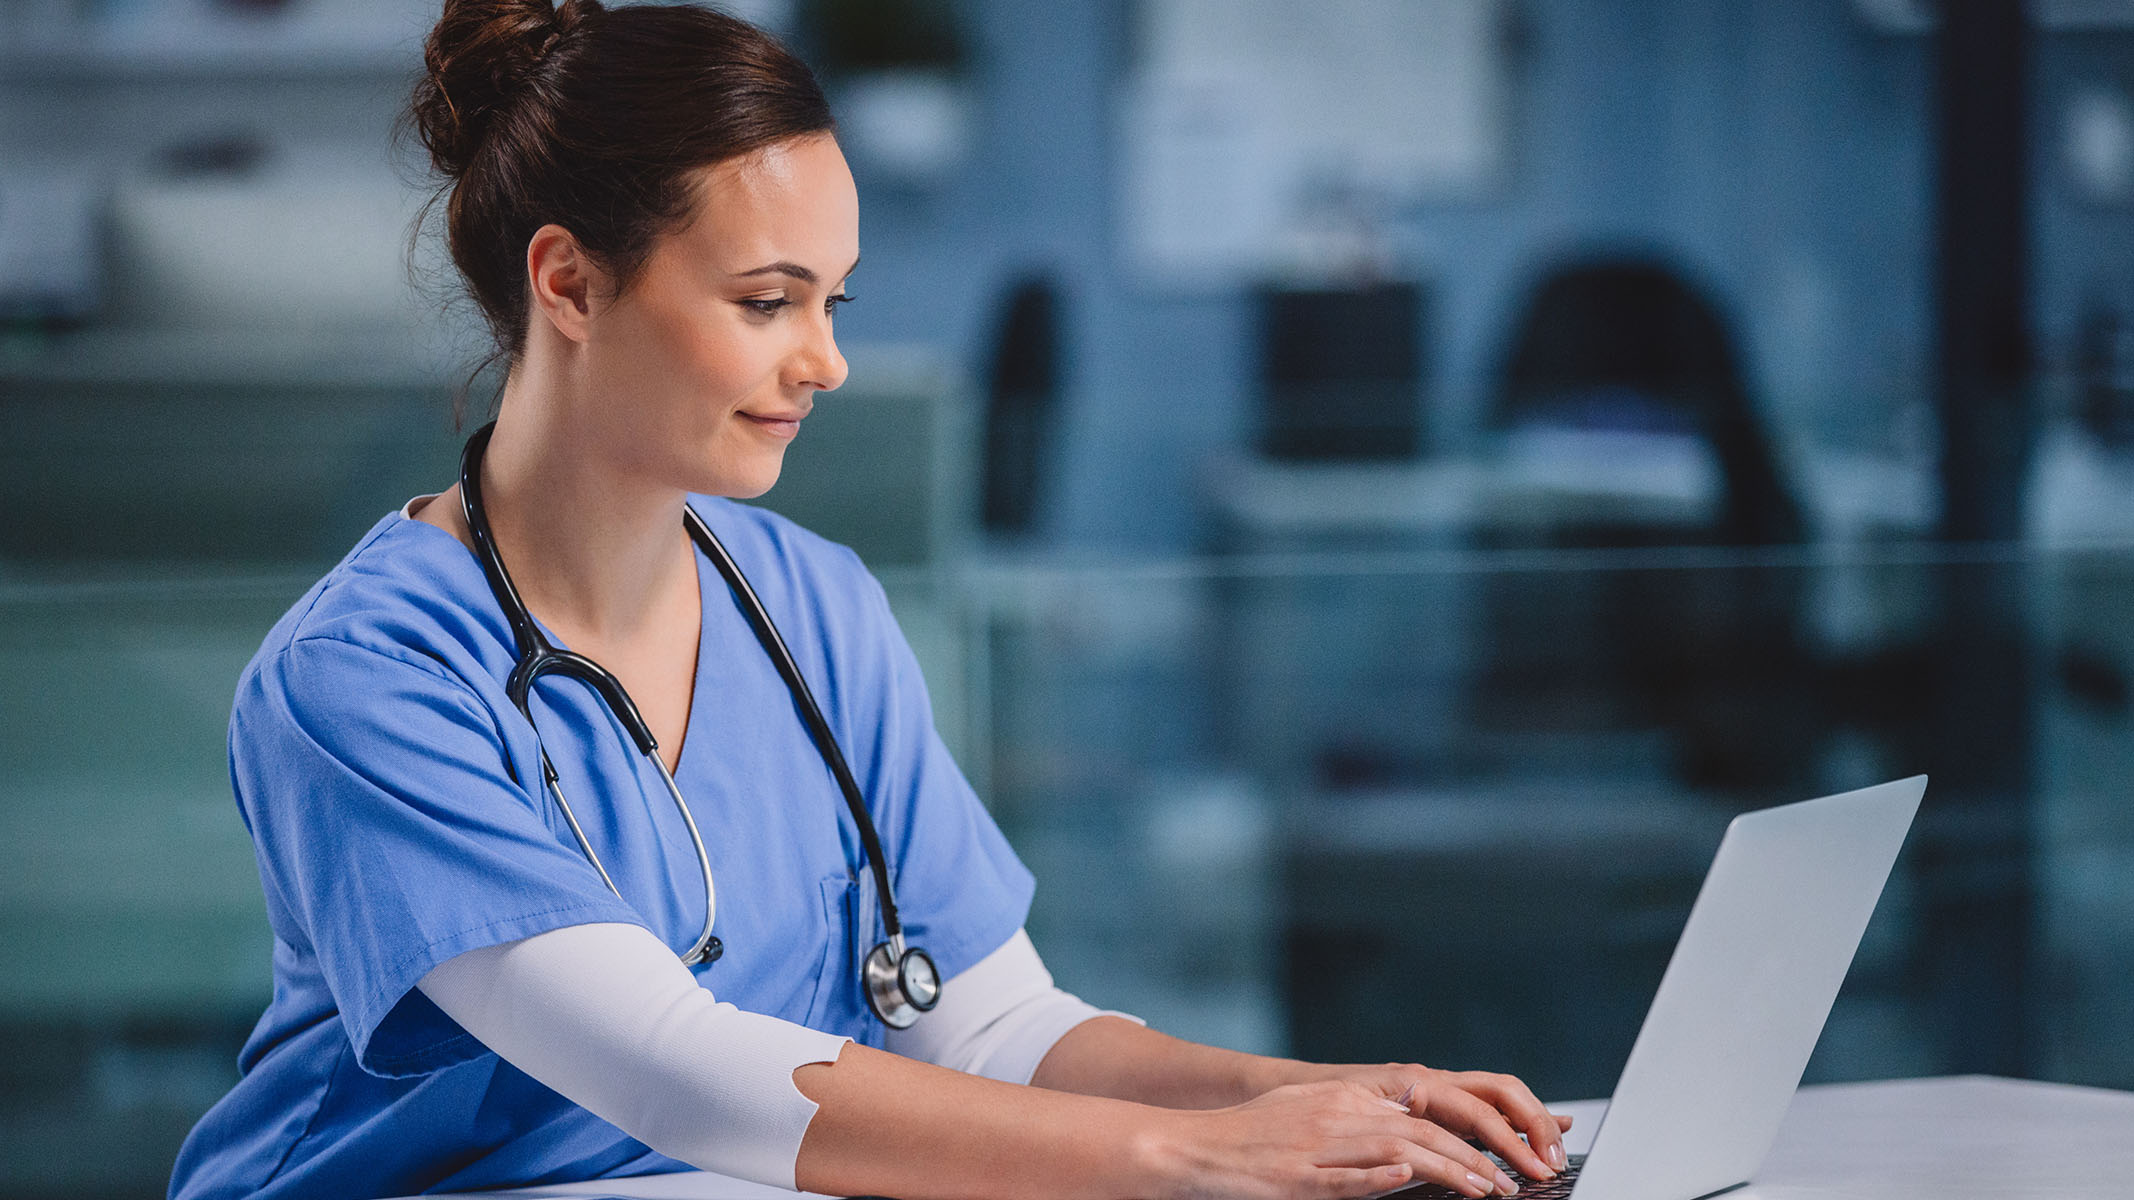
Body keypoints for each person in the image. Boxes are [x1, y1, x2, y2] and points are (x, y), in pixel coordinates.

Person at [167, 3, 1571, 1198]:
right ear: (570, 281)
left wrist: (1334, 1098)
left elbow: (995, 1023)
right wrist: (1194, 1160)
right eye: (770, 301)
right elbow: (675, 1069)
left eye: (834, 301)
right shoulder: (368, 677)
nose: (826, 363)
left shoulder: (812, 607)